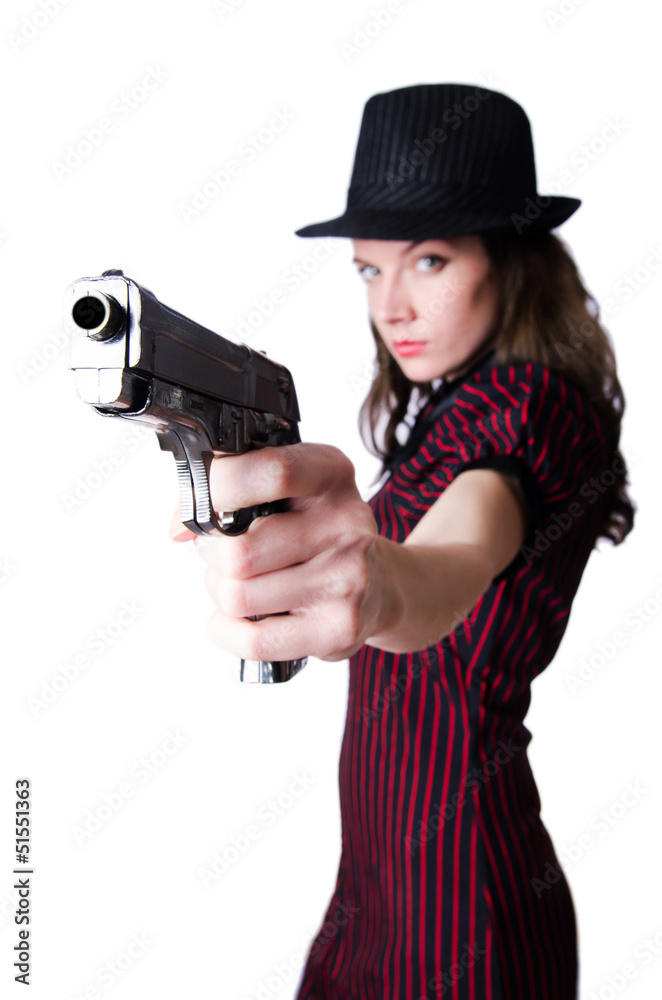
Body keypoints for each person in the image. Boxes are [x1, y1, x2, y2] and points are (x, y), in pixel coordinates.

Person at [170, 84, 636, 999]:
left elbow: (457, 556)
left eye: (428, 260)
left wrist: (378, 585)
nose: (392, 305)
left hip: (465, 906)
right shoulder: (449, 411)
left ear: (509, 260)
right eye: (367, 271)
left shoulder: (529, 404)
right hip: (377, 883)